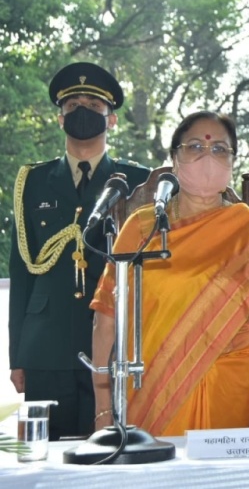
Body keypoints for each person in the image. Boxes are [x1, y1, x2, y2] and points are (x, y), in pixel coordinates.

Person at [91, 111, 249, 436]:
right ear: (175, 158)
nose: (207, 157)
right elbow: (107, 318)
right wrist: (102, 410)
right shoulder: (141, 228)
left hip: (231, 395)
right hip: (151, 395)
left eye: (219, 149)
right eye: (195, 146)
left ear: (232, 162)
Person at [8, 62, 150, 440]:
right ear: (59, 119)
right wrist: (17, 356)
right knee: (49, 457)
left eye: (92, 105)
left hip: (116, 347)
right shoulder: (33, 182)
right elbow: (22, 272)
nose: (81, 112)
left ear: (112, 119)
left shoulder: (137, 182)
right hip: (45, 347)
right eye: (72, 106)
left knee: (111, 453)